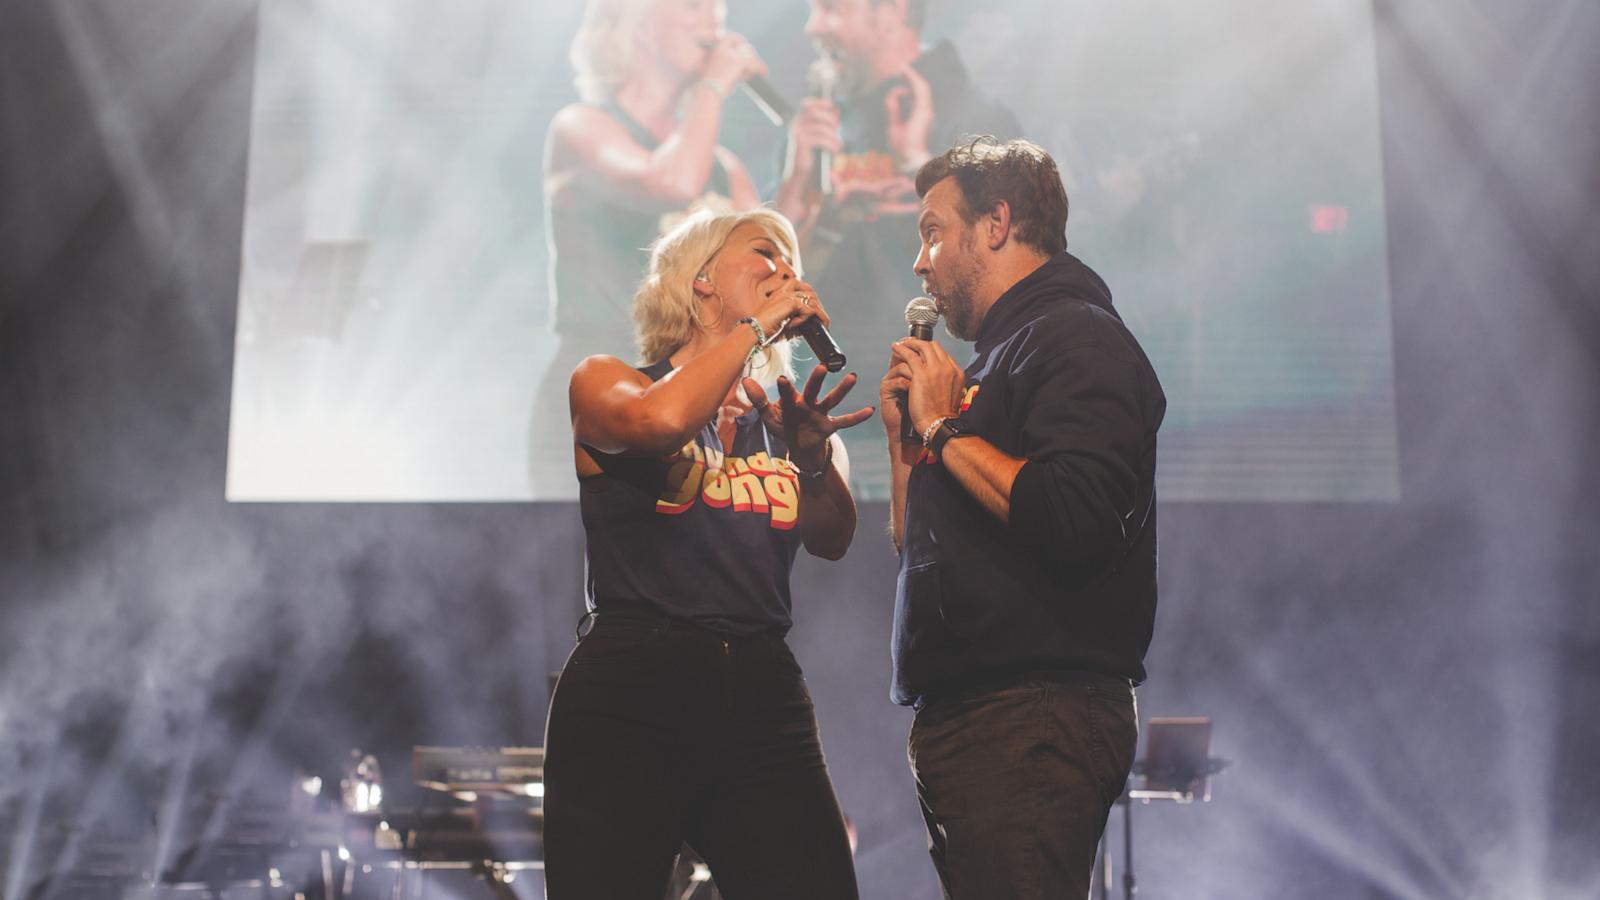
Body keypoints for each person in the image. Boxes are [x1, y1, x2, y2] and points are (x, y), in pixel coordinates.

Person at [542, 207, 870, 899]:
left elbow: (833, 540)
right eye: (764, 252)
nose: (786, 269)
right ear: (701, 284)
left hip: (760, 687)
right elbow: (660, 424)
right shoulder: (608, 382)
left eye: (793, 262)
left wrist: (811, 459)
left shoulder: (785, 419)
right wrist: (753, 333)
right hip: (634, 687)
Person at [879, 137, 1166, 898]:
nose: (921, 261)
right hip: (980, 717)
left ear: (997, 223)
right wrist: (908, 442)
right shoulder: (996, 360)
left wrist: (944, 428)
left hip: (1034, 715)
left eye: (934, 232)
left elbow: (1075, 516)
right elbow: (914, 547)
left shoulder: (1075, 336)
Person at [777, 0, 1022, 497]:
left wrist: (916, 161)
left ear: (891, 11)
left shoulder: (969, 112)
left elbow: (1012, 254)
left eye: (830, 8)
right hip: (831, 401)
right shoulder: (824, 122)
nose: (813, 25)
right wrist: (800, 182)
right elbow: (778, 268)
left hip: (943, 409)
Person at [531, 0, 773, 490]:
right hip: (601, 388)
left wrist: (808, 171)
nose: (713, 19)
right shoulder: (581, 127)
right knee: (573, 558)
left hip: (691, 393)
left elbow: (772, 269)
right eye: (692, 4)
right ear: (634, 22)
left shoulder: (720, 163)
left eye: (718, 7)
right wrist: (714, 86)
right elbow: (673, 183)